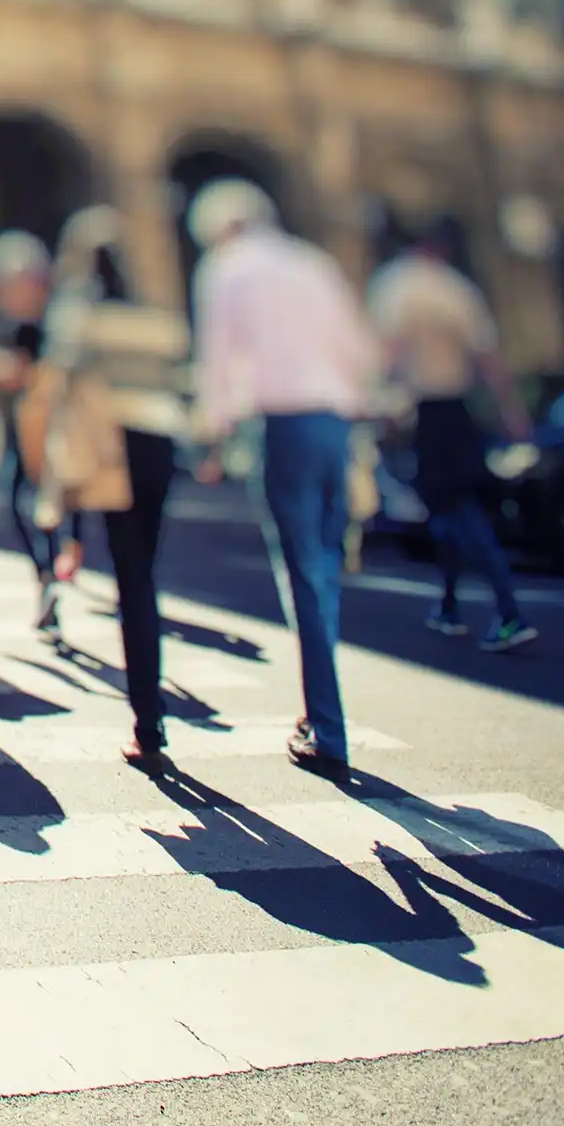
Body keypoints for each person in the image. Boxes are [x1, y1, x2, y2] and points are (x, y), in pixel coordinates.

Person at [189, 180, 380, 778]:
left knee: (301, 569)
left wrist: (211, 431)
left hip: (280, 426)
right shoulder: (312, 263)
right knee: (322, 564)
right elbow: (357, 348)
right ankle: (323, 712)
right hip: (333, 422)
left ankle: (327, 726)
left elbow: (218, 354)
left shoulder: (227, 268)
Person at [24, 209, 193, 771]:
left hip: (111, 452)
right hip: (159, 446)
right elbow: (180, 372)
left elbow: (56, 379)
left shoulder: (80, 315)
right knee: (145, 572)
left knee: (131, 582)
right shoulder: (153, 317)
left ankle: (148, 720)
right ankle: (151, 712)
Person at [367, 223, 538, 654]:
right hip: (459, 409)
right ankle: (449, 606)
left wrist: (373, 400)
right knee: (447, 513)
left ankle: (509, 610)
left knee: (458, 512)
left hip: (426, 410)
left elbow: (387, 349)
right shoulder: (457, 289)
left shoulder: (397, 285)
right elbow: (488, 358)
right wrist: (512, 413)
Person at [0, 231, 63, 634]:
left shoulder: (53, 324)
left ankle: (53, 575)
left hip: (53, 433)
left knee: (51, 508)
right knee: (18, 504)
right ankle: (46, 576)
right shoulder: (0, 322)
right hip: (18, 433)